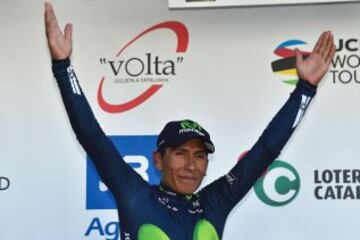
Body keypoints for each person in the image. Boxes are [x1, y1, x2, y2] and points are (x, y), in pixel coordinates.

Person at [44, 2, 335, 240]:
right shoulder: (135, 195)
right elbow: (90, 136)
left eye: (199, 156)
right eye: (181, 154)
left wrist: (305, 90)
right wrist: (62, 66)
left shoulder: (215, 202)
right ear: (158, 160)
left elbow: (266, 150)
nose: (191, 165)